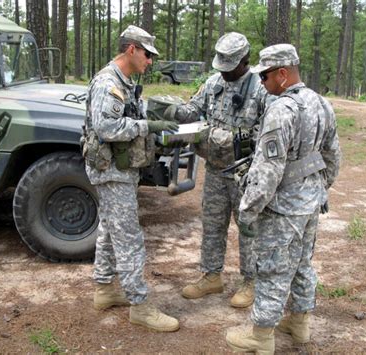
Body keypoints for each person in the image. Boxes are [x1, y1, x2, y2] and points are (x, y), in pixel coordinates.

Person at [225, 44, 341, 353]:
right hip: (310, 203)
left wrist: (248, 210)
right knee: (302, 263)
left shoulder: (281, 109)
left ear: (282, 74)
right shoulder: (321, 104)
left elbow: (268, 169)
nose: (261, 83)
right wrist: (318, 189)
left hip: (282, 208)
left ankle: (261, 336)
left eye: (264, 76)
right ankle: (299, 324)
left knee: (273, 268)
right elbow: (333, 157)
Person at [83, 25, 180, 332]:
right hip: (112, 171)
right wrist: (146, 126)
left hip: (118, 168)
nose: (149, 61)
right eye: (147, 55)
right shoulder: (108, 83)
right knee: (129, 237)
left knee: (110, 229)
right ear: (131, 50)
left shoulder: (123, 81)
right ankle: (139, 305)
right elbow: (106, 128)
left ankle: (105, 289)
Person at [164, 32, 269, 308]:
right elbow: (193, 109)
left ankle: (251, 281)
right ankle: (212, 276)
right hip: (215, 170)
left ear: (245, 60)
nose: (224, 72)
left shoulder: (261, 88)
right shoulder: (213, 83)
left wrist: (226, 138)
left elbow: (268, 132)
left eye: (230, 66)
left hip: (245, 173)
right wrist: (172, 111)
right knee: (212, 224)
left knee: (248, 227)